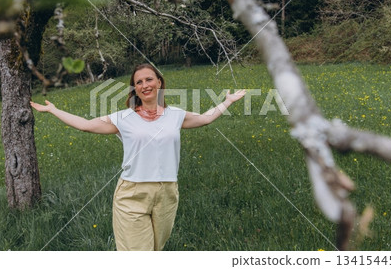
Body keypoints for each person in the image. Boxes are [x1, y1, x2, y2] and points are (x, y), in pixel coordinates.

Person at [30, 63, 246, 251]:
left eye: (149, 79)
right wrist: (54, 111)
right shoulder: (123, 118)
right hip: (132, 193)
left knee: (155, 249)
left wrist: (228, 102)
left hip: (167, 192)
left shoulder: (176, 115)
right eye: (139, 82)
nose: (145, 85)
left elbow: (206, 119)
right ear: (135, 89)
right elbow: (86, 126)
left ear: (159, 82)